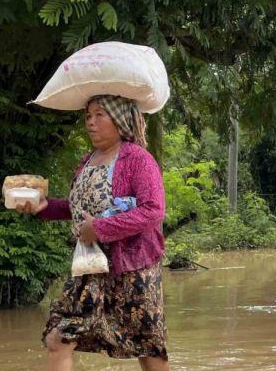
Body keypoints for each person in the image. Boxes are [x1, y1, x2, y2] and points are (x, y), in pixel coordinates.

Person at [13, 95, 169, 371]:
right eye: (88, 117)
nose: (91, 123)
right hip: (89, 267)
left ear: (119, 119)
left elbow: (153, 210)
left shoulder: (138, 159)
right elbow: (77, 208)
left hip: (132, 268)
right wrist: (44, 207)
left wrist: (100, 228)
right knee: (58, 337)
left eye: (100, 115)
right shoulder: (88, 160)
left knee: (148, 346)